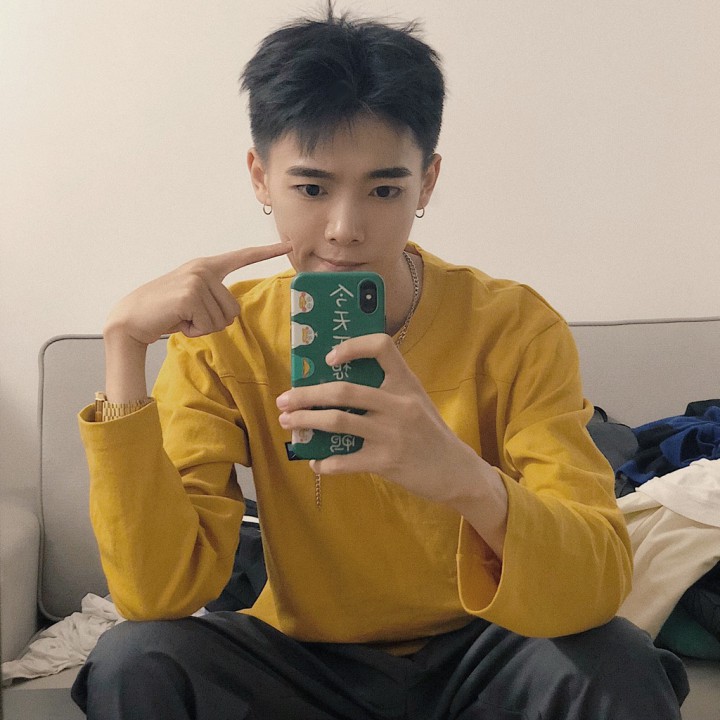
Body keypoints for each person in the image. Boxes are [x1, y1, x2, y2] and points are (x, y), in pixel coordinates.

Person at [71, 5, 688, 719]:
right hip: (301, 663)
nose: (345, 229)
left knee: (616, 661)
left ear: (427, 182)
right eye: (311, 188)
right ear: (260, 177)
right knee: (135, 659)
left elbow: (595, 588)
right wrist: (124, 348)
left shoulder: (513, 326)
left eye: (384, 189)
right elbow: (157, 594)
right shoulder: (223, 337)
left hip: (486, 648)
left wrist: (464, 477)